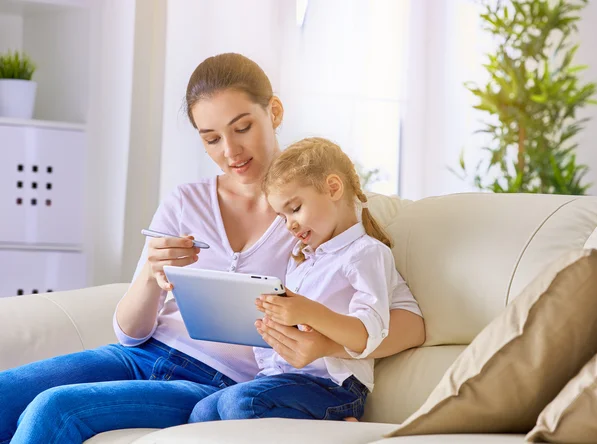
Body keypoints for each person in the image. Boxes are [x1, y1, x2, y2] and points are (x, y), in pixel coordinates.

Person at [0, 53, 425, 444]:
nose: (230, 151)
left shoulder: (316, 212)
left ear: (273, 112)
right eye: (211, 138)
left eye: (243, 128)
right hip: (141, 357)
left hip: (221, 384)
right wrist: (151, 271)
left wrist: (326, 345)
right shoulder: (185, 202)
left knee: (55, 409)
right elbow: (130, 333)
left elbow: (410, 323)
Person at [188, 137, 422, 422]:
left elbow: (369, 333)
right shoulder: (302, 259)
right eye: (282, 216)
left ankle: (337, 424)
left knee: (241, 402)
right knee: (203, 410)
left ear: (333, 188)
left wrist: (309, 311)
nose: (290, 224)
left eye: (295, 208)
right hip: (285, 379)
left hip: (335, 388)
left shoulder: (367, 253)